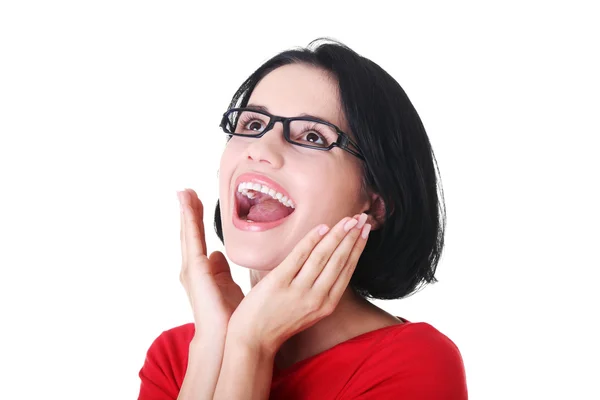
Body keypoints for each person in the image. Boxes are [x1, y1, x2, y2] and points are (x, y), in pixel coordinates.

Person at [138, 38, 468, 399]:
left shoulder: (414, 363)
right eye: (251, 125)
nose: (260, 149)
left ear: (375, 205)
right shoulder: (174, 357)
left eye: (312, 136)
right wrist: (214, 345)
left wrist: (250, 346)